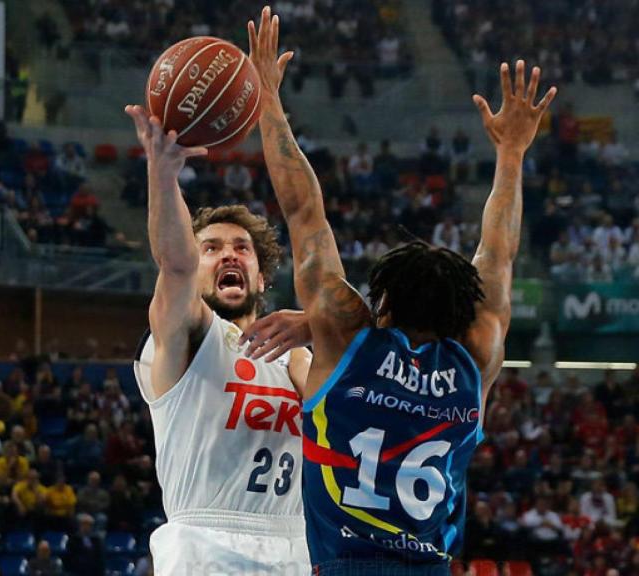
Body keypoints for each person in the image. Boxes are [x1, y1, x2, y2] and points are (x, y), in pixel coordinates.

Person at [249, 8, 556, 572]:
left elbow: (303, 211)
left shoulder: (347, 335)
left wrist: (267, 95)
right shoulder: (476, 357)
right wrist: (512, 154)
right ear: (462, 312)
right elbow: (498, 254)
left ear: (380, 303)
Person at [125, 39, 313, 573]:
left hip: (293, 545)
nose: (228, 254)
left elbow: (333, 393)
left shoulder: (292, 353)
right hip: (203, 545)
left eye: (241, 248)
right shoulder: (183, 336)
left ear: (260, 273)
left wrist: (317, 325)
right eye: (212, 247)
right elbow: (176, 265)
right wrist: (163, 172)